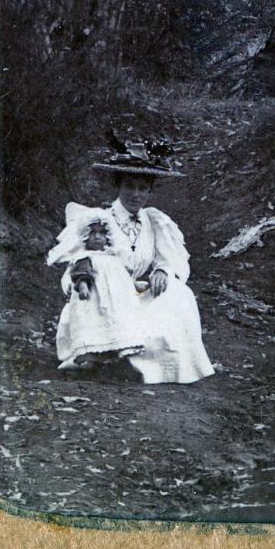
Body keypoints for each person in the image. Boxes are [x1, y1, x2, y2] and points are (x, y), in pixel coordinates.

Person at [46, 148, 214, 384]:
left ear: (149, 191)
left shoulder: (154, 220)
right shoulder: (98, 221)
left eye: (143, 188)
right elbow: (77, 264)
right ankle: (109, 357)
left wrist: (162, 270)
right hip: (102, 299)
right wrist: (87, 285)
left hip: (134, 293)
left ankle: (153, 366)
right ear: (118, 186)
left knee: (180, 293)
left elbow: (167, 257)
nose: (136, 194)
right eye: (129, 186)